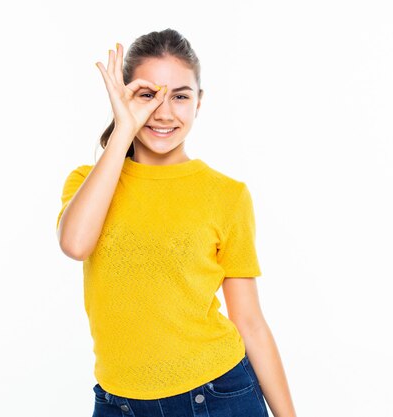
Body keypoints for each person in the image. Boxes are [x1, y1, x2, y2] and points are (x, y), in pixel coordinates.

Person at [57, 28, 297, 417]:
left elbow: (249, 322)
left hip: (216, 396)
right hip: (118, 405)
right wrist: (124, 130)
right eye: (148, 95)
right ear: (123, 96)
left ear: (199, 103)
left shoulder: (226, 195)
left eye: (180, 96)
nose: (165, 112)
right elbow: (75, 245)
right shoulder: (89, 181)